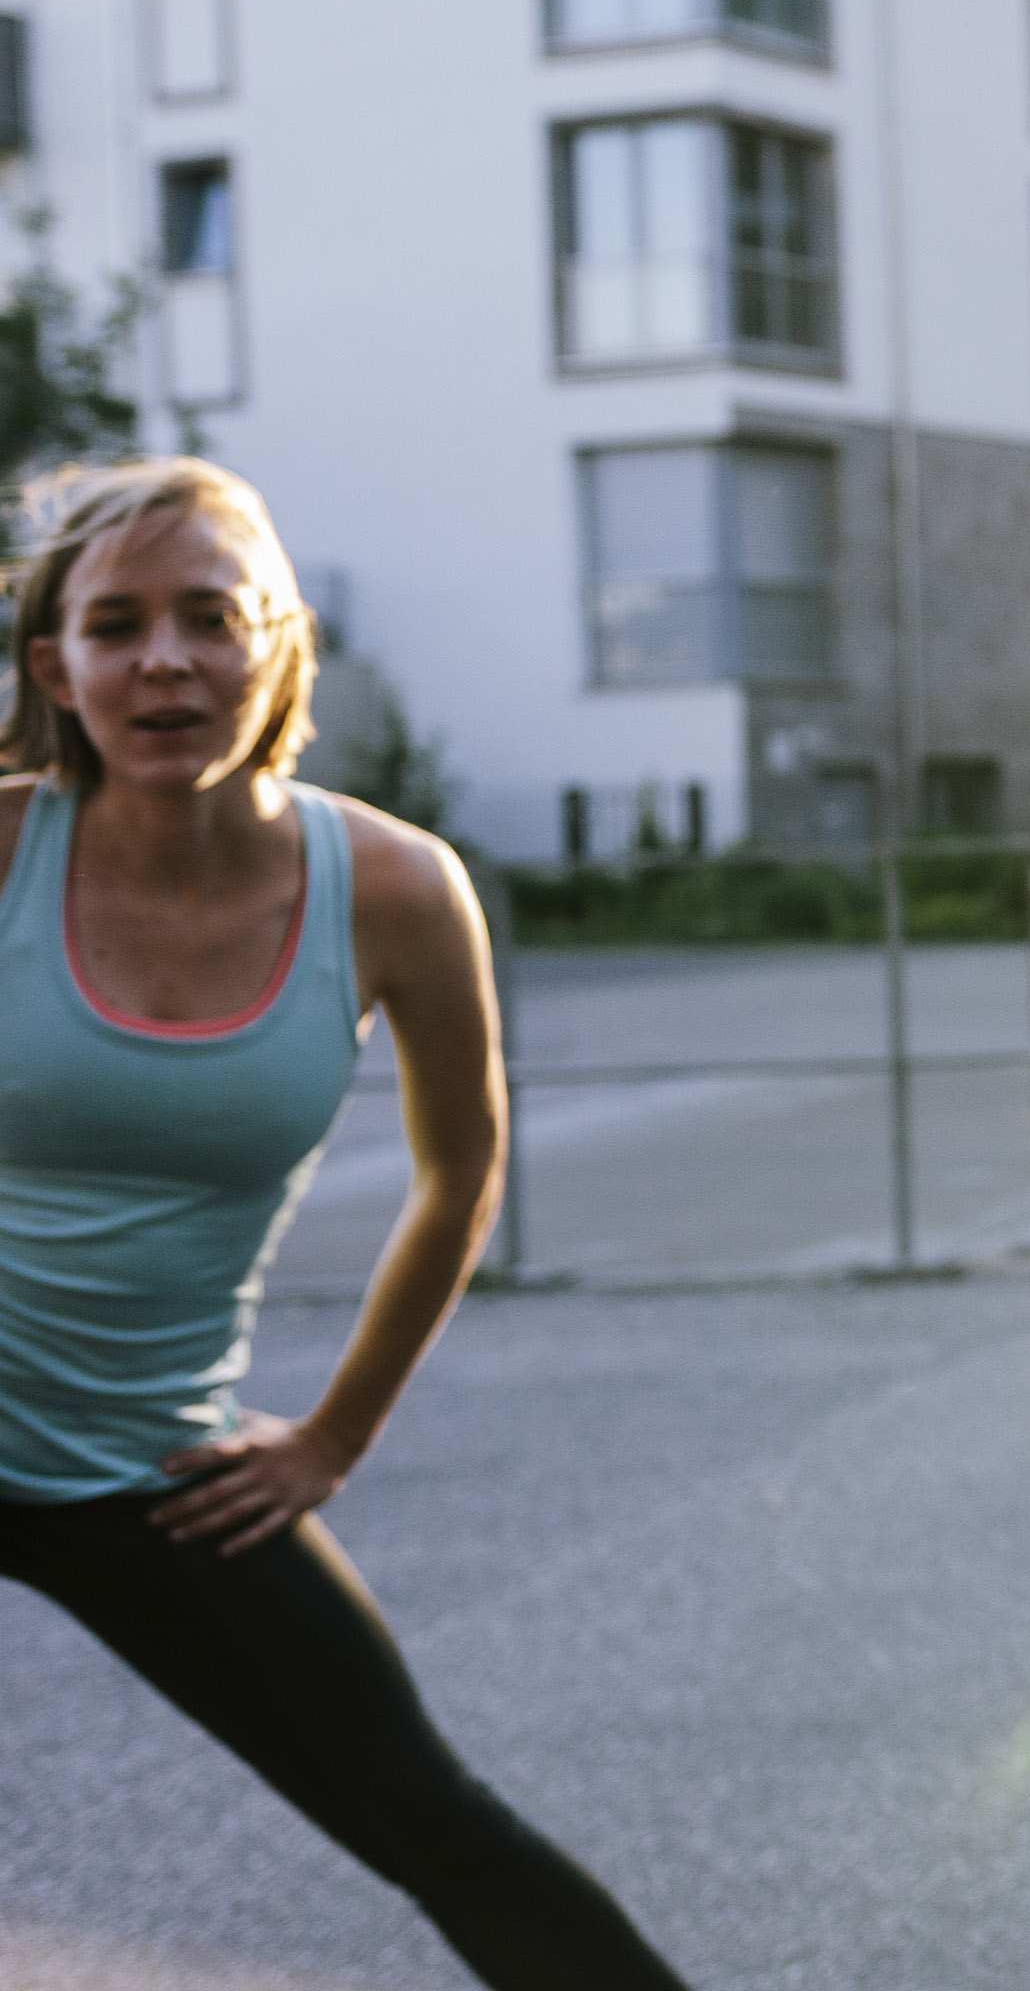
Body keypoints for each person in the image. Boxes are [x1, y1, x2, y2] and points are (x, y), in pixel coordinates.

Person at [0, 458, 691, 1989]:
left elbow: (464, 1170)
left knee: (432, 1824)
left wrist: (333, 1438)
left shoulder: (392, 888)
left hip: (153, 1463)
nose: (165, 659)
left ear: (281, 644)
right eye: (117, 626)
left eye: (208, 617)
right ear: (59, 669)